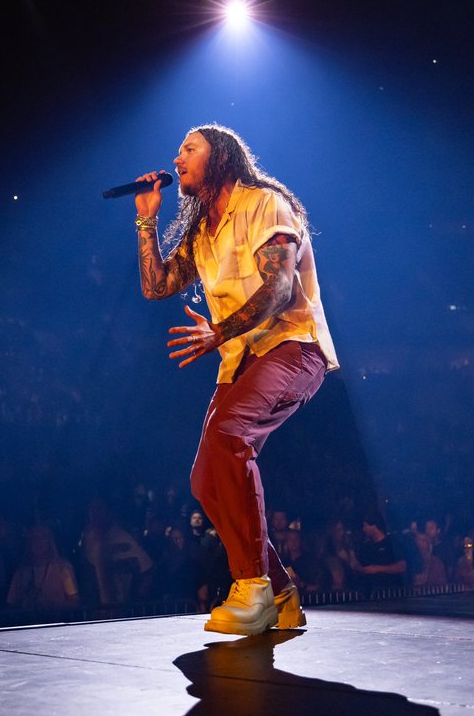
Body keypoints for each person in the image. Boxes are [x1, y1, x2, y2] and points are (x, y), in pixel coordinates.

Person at [133, 124, 338, 635]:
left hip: (292, 346)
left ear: (220, 156)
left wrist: (217, 331)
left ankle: (253, 589)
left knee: (229, 438)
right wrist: (145, 223)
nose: (177, 156)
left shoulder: (264, 203)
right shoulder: (202, 227)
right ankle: (283, 592)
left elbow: (280, 288)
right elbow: (156, 287)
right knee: (206, 480)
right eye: (177, 148)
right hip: (240, 359)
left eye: (189, 148)